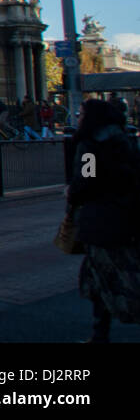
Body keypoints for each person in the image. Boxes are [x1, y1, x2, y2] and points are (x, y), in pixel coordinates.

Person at [67, 99, 140, 342]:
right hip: (126, 217)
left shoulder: (90, 146)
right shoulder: (124, 140)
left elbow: (86, 180)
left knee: (109, 280)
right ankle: (99, 335)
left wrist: (71, 192)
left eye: (81, 113)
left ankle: (100, 334)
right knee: (103, 279)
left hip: (100, 220)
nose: (78, 117)